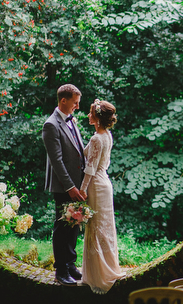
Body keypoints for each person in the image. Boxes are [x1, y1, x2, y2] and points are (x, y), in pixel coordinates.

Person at [78, 99, 125, 294]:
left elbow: (90, 168)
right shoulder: (107, 135)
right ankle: (107, 267)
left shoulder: (97, 139)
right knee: (104, 227)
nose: (88, 116)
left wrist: (82, 189)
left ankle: (98, 275)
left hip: (96, 184)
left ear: (97, 117)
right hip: (105, 183)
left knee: (96, 227)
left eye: (90, 113)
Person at [42, 84, 86, 286]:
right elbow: (57, 161)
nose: (77, 106)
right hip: (64, 186)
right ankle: (61, 269)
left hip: (78, 184)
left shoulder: (70, 120)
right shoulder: (51, 125)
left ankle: (70, 265)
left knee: (74, 225)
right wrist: (70, 187)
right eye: (75, 103)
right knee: (62, 227)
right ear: (63, 101)